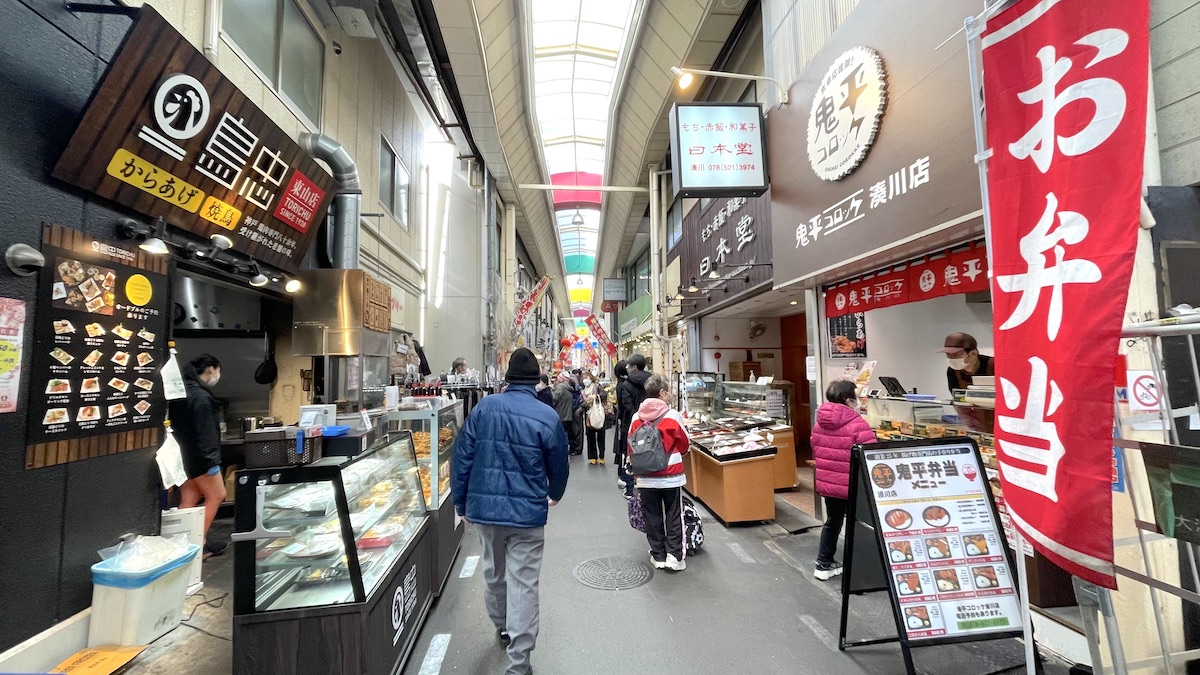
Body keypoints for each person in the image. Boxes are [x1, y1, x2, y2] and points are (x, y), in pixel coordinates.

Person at [452, 348, 569, 675]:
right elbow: (558, 462)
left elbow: (462, 458)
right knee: (524, 583)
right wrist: (555, 494)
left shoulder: (484, 408)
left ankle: (502, 625)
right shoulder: (545, 415)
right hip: (528, 514)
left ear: (508, 379)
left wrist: (460, 503)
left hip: (485, 512)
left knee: (493, 571)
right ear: (536, 381)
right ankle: (519, 664)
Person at [811, 379, 877, 580]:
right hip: (852, 485)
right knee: (860, 523)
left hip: (829, 484)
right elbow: (870, 455)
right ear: (849, 400)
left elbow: (816, 450)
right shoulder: (857, 423)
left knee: (832, 522)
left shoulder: (819, 422)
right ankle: (860, 565)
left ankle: (823, 564)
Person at [627, 374, 690, 571]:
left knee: (652, 514)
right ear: (662, 393)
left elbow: (630, 445)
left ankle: (658, 555)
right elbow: (685, 444)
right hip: (670, 474)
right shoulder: (672, 416)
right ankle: (674, 556)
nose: (670, 395)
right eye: (668, 391)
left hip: (645, 475)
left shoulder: (637, 417)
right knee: (673, 514)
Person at [168, 354, 228, 558]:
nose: (217, 375)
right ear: (211, 369)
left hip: (183, 457)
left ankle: (180, 545)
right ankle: (197, 544)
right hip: (201, 459)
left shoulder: (182, 391)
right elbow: (206, 433)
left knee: (189, 499)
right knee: (216, 496)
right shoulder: (201, 398)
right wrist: (212, 461)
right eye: (218, 370)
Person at [618, 354, 651, 497]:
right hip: (652, 424)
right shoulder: (652, 382)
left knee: (631, 456)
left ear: (634, 367)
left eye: (629, 366)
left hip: (632, 425)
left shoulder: (626, 385)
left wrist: (636, 419)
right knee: (650, 453)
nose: (627, 368)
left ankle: (631, 489)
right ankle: (649, 488)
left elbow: (626, 406)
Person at [612, 360, 632, 493]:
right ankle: (625, 471)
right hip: (628, 420)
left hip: (622, 419)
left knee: (622, 444)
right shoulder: (625, 385)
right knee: (626, 447)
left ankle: (622, 470)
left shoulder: (620, 385)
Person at [551, 372, 581, 456]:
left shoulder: (560, 388)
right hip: (568, 415)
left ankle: (562, 450)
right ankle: (571, 449)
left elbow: (554, 398)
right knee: (569, 434)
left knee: (561, 435)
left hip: (560, 414)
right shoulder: (569, 388)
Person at [582, 370, 608, 465]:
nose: (585, 380)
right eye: (584, 378)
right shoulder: (583, 390)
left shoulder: (597, 386)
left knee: (601, 436)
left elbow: (604, 395)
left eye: (587, 378)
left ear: (591, 378)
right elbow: (581, 402)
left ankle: (601, 456)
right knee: (590, 436)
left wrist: (595, 397)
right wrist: (585, 403)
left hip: (598, 412)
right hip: (589, 415)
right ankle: (592, 457)